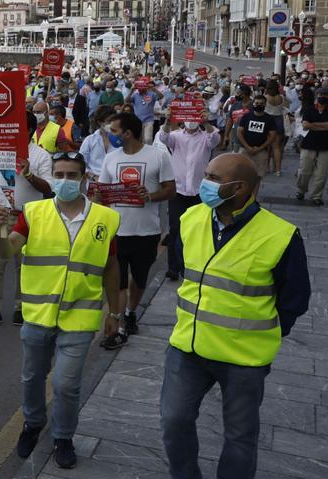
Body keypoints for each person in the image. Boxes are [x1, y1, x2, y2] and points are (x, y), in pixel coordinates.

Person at [152, 154, 309, 479]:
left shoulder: (280, 235)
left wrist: (262, 332)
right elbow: (184, 268)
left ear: (238, 187)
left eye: (211, 176)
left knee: (239, 436)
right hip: (188, 347)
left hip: (243, 357)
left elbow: (295, 300)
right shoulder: (192, 217)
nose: (204, 182)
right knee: (173, 419)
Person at [0, 152, 121, 470]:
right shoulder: (33, 212)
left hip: (80, 316)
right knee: (32, 377)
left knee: (66, 383)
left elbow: (111, 267)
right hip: (38, 314)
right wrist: (3, 229)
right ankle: (33, 424)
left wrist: (114, 313)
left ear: (84, 178)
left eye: (72, 175)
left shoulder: (105, 218)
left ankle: (63, 436)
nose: (64, 181)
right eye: (59, 174)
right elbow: (9, 252)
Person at [97, 112, 175, 348]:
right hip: (116, 232)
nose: (111, 136)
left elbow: (170, 189)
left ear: (128, 133)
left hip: (146, 232)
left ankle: (131, 312)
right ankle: (118, 326)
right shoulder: (111, 158)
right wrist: (98, 197)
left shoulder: (158, 156)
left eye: (114, 131)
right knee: (117, 280)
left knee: (139, 278)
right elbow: (102, 192)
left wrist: (150, 196)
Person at [0, 134, 53, 328]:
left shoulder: (40, 155)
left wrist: (29, 174)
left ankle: (21, 308)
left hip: (27, 217)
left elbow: (48, 188)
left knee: (23, 265)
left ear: (27, 129)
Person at [158, 114, 220, 281]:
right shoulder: (176, 136)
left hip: (199, 192)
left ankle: (189, 266)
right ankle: (173, 267)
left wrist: (206, 122)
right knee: (175, 229)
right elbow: (163, 137)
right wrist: (167, 120)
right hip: (178, 191)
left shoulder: (206, 137)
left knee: (197, 231)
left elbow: (215, 139)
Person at [295, 94, 328, 206]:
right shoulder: (309, 109)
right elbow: (305, 125)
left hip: (326, 145)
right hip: (309, 144)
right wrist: (325, 125)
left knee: (321, 173)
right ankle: (301, 190)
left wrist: (313, 125)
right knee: (304, 170)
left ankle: (316, 195)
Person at [234, 94, 278, 177]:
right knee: (241, 174)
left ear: (265, 105)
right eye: (257, 103)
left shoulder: (269, 119)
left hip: (261, 151)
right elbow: (239, 132)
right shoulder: (246, 116)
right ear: (253, 104)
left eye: (261, 103)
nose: (259, 105)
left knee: (258, 176)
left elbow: (273, 135)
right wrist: (247, 147)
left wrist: (260, 148)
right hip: (245, 150)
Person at [77, 106, 119, 180]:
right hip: (94, 181)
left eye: (114, 121)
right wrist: (93, 176)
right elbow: (80, 164)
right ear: (100, 122)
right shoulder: (89, 140)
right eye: (109, 121)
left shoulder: (120, 140)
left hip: (115, 181)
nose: (112, 124)